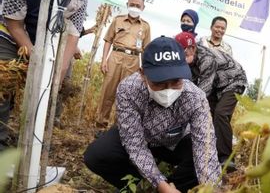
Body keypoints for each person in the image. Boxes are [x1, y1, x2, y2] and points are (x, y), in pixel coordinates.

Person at [84, 36, 221, 193]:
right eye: (159, 83)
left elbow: (205, 148)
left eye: (176, 82)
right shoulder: (129, 89)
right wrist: (159, 184)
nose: (167, 90)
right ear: (143, 74)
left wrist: (211, 189)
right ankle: (137, 185)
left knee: (202, 156)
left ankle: (174, 185)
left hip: (174, 141)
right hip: (141, 137)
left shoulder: (195, 97)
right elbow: (134, 145)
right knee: (98, 154)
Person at [0, 0, 88, 151]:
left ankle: (32, 140)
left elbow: (73, 35)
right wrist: (36, 60)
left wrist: (59, 72)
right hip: (12, 32)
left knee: (46, 88)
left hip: (51, 39)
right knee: (4, 85)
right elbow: (15, 25)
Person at [175, 32, 247, 166]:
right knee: (210, 116)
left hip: (234, 82)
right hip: (217, 84)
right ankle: (210, 153)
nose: (182, 57)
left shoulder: (207, 58)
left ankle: (226, 158)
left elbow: (204, 90)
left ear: (193, 48)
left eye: (184, 53)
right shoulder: (185, 60)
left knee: (220, 113)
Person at [95, 0, 151, 128]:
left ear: (143, 7)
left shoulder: (146, 27)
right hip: (115, 57)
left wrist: (145, 70)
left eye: (138, 6)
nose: (135, 7)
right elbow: (108, 40)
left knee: (127, 95)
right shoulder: (118, 20)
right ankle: (100, 124)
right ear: (127, 4)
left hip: (133, 60)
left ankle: (118, 128)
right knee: (108, 91)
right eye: (132, 4)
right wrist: (104, 60)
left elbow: (146, 49)